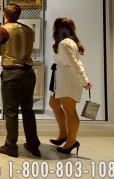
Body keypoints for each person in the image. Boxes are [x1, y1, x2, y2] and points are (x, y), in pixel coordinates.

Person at [0, 4, 41, 158]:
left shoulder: (2, 30)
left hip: (12, 73)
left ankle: (11, 146)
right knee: (28, 110)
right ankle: (33, 145)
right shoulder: (28, 29)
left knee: (11, 111)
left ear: (4, 14)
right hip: (29, 72)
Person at [48, 17, 92, 155]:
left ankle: (71, 141)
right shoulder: (66, 42)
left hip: (67, 80)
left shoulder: (65, 44)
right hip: (60, 79)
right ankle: (63, 134)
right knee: (54, 104)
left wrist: (84, 81)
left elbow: (75, 64)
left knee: (70, 110)